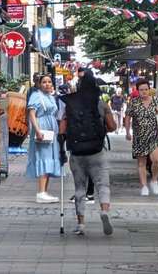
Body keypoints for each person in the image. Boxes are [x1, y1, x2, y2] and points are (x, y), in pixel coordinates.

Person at [60, 71, 117, 235]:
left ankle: (81, 224)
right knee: (103, 185)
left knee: (79, 188)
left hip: (77, 152)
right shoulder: (101, 104)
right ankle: (104, 211)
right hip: (97, 151)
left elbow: (62, 129)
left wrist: (62, 147)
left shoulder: (71, 104)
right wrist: (100, 130)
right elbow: (112, 126)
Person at [124, 79, 158, 196]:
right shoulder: (133, 102)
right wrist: (127, 132)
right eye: (141, 90)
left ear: (149, 90)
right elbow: (128, 117)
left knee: (157, 161)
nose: (144, 92)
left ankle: (154, 180)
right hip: (139, 136)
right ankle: (144, 186)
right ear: (137, 90)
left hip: (154, 135)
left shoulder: (155, 100)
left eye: (146, 89)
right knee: (141, 163)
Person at [26, 74, 62, 203]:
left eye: (49, 82)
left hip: (51, 130)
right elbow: (32, 114)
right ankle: (41, 192)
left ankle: (44, 191)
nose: (47, 84)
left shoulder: (51, 97)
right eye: (44, 82)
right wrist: (37, 130)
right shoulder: (36, 96)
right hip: (42, 128)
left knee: (50, 158)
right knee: (44, 158)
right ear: (39, 84)